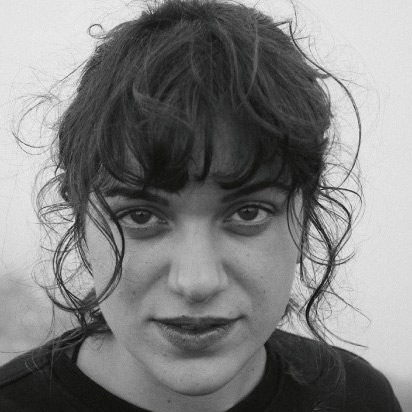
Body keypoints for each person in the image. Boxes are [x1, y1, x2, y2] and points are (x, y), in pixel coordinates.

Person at [0, 0, 403, 411]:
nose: (196, 283)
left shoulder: (358, 398)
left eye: (248, 213)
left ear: (304, 217)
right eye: (140, 215)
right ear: (81, 223)